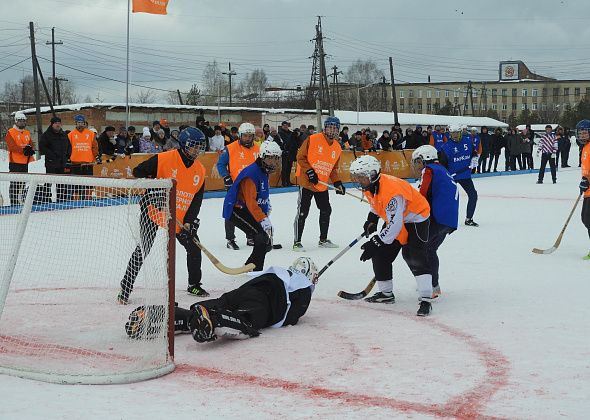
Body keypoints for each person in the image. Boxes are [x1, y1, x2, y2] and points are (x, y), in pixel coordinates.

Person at [125, 257, 317, 342]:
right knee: (245, 321)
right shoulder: (303, 287)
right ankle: (215, 320)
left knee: (202, 310)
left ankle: (165, 315)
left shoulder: (280, 272)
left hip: (240, 292)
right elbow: (294, 314)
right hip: (260, 301)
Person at [117, 127, 209, 304]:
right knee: (143, 249)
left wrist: (190, 221)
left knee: (194, 248)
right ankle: (125, 287)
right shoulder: (164, 158)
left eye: (200, 147)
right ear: (183, 145)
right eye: (193, 147)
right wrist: (155, 193)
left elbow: (196, 199)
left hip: (178, 217)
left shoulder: (200, 170)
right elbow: (138, 172)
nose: (197, 151)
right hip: (153, 210)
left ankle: (194, 284)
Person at [349, 155, 434, 316]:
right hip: (398, 218)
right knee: (381, 254)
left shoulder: (392, 191)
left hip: (416, 218)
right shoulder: (370, 186)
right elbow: (376, 204)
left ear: (372, 174)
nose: (358, 180)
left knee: (413, 256)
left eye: (360, 177)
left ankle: (426, 298)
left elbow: (395, 226)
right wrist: (372, 219)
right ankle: (386, 294)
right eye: (356, 177)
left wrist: (376, 241)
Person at [222, 141, 282, 271]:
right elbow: (250, 202)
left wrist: (266, 205)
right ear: (262, 156)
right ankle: (255, 270)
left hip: (247, 209)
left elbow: (259, 194)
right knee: (261, 238)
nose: (273, 162)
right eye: (270, 158)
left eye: (276, 158)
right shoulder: (252, 173)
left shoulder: (263, 170)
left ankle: (250, 265)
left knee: (264, 241)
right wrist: (263, 219)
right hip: (236, 209)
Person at [411, 145, 458, 298]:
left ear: (426, 159)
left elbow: (422, 195)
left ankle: (429, 286)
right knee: (429, 249)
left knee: (417, 249)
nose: (417, 165)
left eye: (418, 161)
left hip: (438, 217)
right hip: (449, 220)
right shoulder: (443, 170)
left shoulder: (429, 170)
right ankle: (434, 285)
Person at [293, 116, 345, 251]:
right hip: (307, 182)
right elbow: (300, 157)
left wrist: (338, 183)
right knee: (303, 212)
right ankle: (297, 242)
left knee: (326, 210)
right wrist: (310, 172)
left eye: (335, 128)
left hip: (322, 184)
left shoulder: (338, 147)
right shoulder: (312, 139)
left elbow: (333, 169)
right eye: (330, 127)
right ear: (325, 128)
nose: (332, 131)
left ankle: (323, 240)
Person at [216, 122, 261, 250]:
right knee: (232, 211)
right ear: (240, 135)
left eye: (250, 136)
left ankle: (251, 236)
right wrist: (226, 177)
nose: (247, 138)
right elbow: (220, 164)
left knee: (252, 210)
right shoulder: (229, 148)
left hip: (252, 186)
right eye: (245, 136)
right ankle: (230, 239)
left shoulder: (259, 148)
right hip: (234, 185)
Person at [439, 124, 479, 226]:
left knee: (473, 195)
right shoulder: (445, 147)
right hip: (452, 177)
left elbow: (473, 151)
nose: (455, 135)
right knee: (448, 198)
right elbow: (442, 165)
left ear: (461, 133)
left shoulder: (467, 141)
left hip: (465, 175)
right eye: (453, 133)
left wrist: (474, 157)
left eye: (457, 132)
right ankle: (443, 219)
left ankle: (469, 219)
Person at [5, 111, 35, 205]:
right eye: (20, 121)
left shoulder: (27, 132)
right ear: (16, 121)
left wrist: (31, 149)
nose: (22, 122)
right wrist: (23, 150)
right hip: (15, 163)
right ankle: (13, 202)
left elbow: (31, 144)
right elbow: (12, 146)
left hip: (25, 162)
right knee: (15, 184)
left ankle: (21, 200)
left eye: (23, 121)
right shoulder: (10, 132)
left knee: (23, 183)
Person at [39, 116, 71, 202]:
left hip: (62, 162)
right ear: (52, 124)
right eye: (56, 123)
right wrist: (52, 155)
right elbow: (42, 147)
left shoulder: (64, 134)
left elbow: (69, 146)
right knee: (49, 181)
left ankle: (61, 199)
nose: (58, 125)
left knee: (61, 182)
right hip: (51, 162)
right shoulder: (46, 135)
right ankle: (46, 199)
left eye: (59, 123)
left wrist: (67, 156)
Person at [575, 120, 590, 260]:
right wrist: (584, 181)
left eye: (585, 132)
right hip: (588, 191)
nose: (582, 135)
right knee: (585, 219)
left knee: (588, 219)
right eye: (580, 133)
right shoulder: (584, 148)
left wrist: (587, 180)